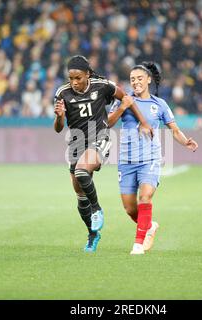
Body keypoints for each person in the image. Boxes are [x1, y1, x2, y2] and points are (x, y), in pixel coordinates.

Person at [53, 55, 153, 253]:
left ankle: (97, 209)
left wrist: (143, 121)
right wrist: (60, 117)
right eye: (71, 78)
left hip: (100, 138)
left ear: (87, 75)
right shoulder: (62, 93)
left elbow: (126, 98)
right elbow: (58, 128)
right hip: (76, 143)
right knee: (80, 197)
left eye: (78, 78)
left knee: (82, 172)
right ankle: (92, 234)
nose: (74, 83)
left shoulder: (103, 85)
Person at [108, 62, 199, 255]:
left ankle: (138, 245)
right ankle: (149, 226)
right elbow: (107, 124)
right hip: (126, 160)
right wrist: (122, 107)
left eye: (140, 78)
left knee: (145, 196)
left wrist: (185, 142)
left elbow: (174, 130)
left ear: (148, 80)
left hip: (150, 159)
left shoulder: (159, 105)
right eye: (132, 79)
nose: (136, 82)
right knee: (130, 208)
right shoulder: (122, 100)